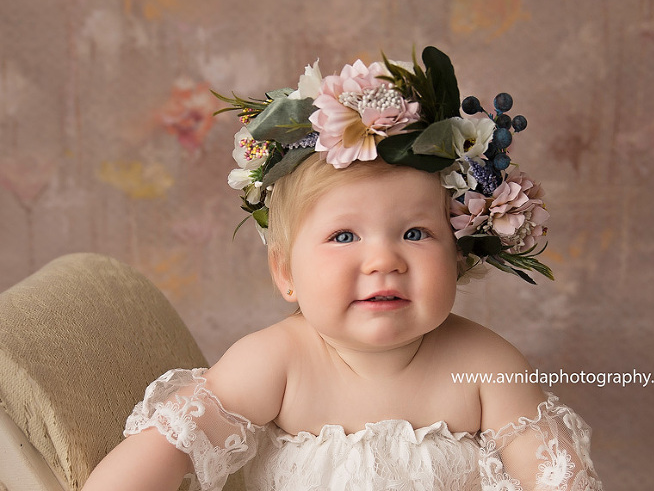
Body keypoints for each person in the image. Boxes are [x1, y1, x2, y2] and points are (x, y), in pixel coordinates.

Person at [83, 47, 602, 491]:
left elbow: (558, 475)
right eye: (344, 236)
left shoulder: (486, 365)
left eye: (416, 234)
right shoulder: (276, 362)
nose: (383, 261)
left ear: (460, 254)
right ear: (285, 272)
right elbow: (164, 451)